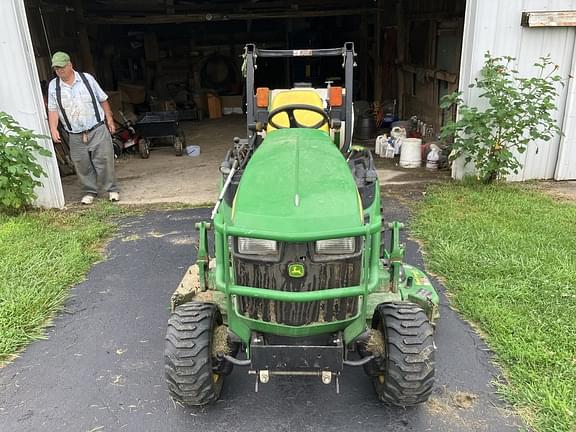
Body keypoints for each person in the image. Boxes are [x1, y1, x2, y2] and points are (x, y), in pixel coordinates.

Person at [47, 51, 120, 204]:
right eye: (56, 68)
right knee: (81, 164)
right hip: (74, 133)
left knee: (104, 161)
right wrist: (53, 128)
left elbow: (103, 99)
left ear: (70, 65)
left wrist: (110, 119)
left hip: (97, 128)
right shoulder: (54, 86)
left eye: (61, 67)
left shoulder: (87, 79)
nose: (59, 71)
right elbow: (53, 110)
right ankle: (90, 191)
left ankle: (112, 189)